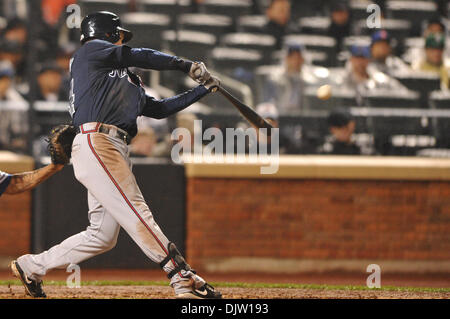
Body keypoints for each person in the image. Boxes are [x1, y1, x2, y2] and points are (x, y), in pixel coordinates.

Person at [10, 11, 221, 299]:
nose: (121, 38)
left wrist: (202, 90)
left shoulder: (125, 81)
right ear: (106, 33)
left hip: (113, 147)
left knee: (101, 236)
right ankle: (181, 276)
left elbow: (158, 109)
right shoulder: (89, 52)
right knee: (137, 209)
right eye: (118, 34)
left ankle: (31, 266)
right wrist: (184, 65)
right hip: (98, 142)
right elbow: (138, 54)